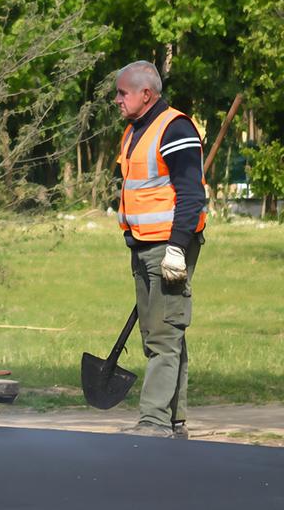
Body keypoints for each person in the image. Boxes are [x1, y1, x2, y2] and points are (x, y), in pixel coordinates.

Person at [113, 61, 207, 439]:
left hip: (169, 247)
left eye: (123, 93)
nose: (117, 100)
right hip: (143, 247)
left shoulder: (175, 128)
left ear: (146, 94)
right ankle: (173, 420)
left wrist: (177, 249)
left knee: (165, 335)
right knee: (160, 333)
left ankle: (153, 422)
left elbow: (190, 195)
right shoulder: (135, 130)